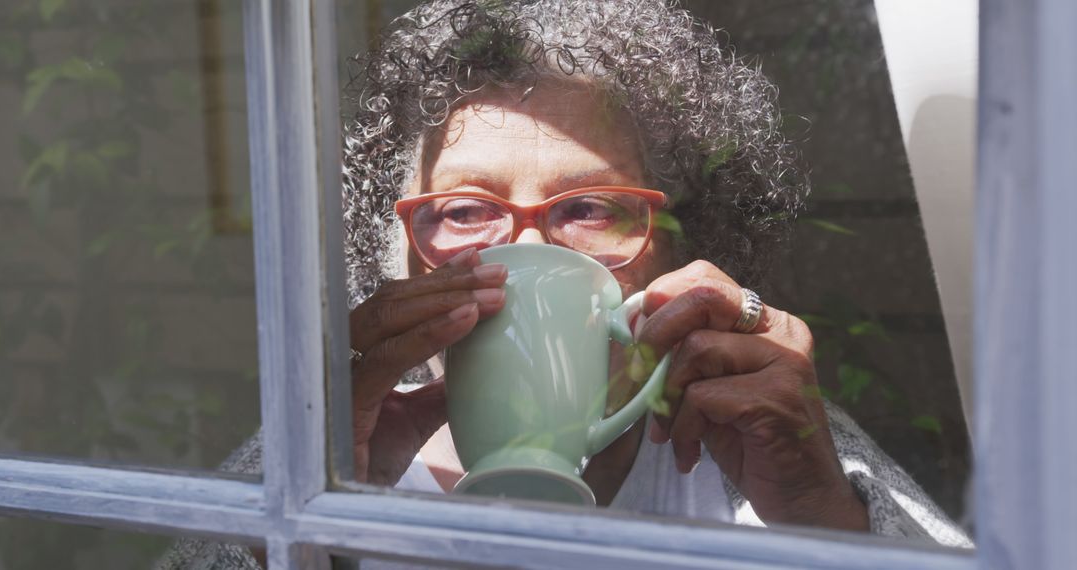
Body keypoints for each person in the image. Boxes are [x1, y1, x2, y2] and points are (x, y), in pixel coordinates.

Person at [157, 1, 970, 567]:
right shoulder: (333, 436)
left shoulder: (744, 433)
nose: (524, 249)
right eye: (466, 209)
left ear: (672, 248)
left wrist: (821, 515)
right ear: (399, 246)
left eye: (588, 208)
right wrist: (313, 517)